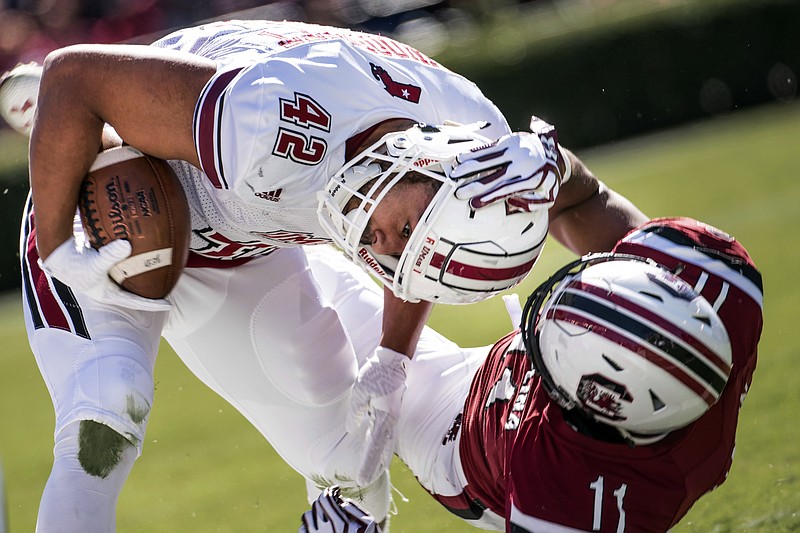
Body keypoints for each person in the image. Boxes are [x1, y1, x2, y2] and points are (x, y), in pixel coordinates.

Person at [5, 19, 647, 531]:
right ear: (431, 164)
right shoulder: (270, 122)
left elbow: (448, 238)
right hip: (108, 200)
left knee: (345, 455)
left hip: (242, 233)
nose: (380, 246)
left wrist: (662, 282)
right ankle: (55, 132)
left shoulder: (473, 146)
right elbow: (75, 76)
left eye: (400, 254)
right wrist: (59, 241)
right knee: (107, 413)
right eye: (401, 227)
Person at [298, 216, 762, 531]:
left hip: (456, 440)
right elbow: (576, 191)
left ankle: (357, 508)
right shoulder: (716, 282)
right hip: (500, 388)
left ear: (596, 403)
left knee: (304, 297)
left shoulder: (578, 497)